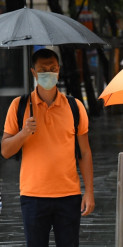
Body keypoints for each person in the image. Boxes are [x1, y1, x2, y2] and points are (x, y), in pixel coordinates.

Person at [1, 48, 95, 246]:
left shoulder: (74, 106)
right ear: (33, 72)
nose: (48, 73)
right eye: (43, 69)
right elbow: (6, 150)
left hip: (69, 195)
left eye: (52, 68)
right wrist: (24, 132)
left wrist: (89, 192)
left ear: (59, 70)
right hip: (33, 196)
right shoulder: (19, 106)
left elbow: (85, 153)